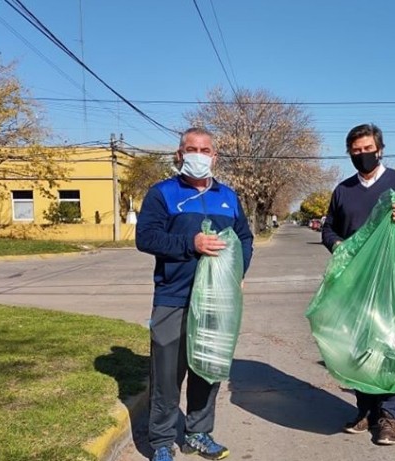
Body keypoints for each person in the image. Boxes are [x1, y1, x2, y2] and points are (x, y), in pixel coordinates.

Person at [136, 127, 254, 461]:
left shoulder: (228, 196)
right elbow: (146, 237)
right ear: (179, 155)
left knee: (208, 367)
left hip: (217, 300)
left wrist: (236, 271)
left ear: (214, 156)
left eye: (204, 150)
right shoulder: (162, 193)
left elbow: (244, 238)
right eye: (191, 149)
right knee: (167, 374)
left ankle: (198, 432)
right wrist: (191, 244)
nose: (198, 156)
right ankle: (161, 440)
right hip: (174, 297)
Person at [321, 123, 395, 445]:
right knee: (358, 348)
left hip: (391, 281)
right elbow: (328, 229)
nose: (363, 155)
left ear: (380, 149)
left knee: (394, 346)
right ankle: (366, 408)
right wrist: (337, 244)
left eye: (368, 149)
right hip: (354, 281)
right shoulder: (343, 190)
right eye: (356, 151)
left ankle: (389, 415)